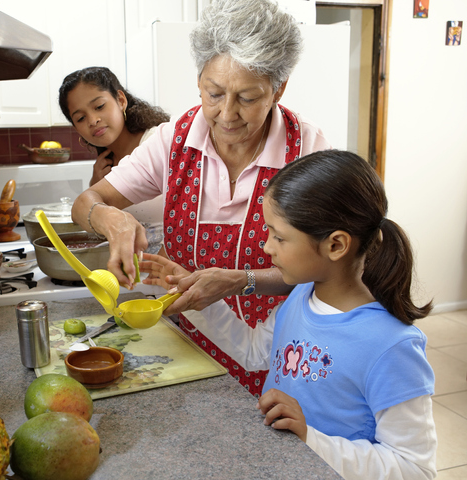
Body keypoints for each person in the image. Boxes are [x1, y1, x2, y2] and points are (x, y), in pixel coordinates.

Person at [71, 0, 331, 396]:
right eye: (214, 93)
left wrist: (240, 282)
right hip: (188, 348)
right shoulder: (172, 142)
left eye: (247, 98)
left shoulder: (306, 149)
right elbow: (86, 201)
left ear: (279, 88)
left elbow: (325, 267)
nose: (227, 115)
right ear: (199, 79)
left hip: (278, 353)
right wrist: (110, 218)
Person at [181, 149, 437, 479]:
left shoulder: (393, 347)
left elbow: (414, 468)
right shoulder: (304, 294)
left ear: (336, 245)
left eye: (279, 236)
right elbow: (255, 351)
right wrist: (198, 300)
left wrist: (309, 437)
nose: (266, 247)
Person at [59, 66, 170, 254]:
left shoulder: (159, 143)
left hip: (174, 271)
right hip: (134, 275)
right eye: (80, 118)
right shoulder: (104, 167)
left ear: (120, 100)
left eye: (99, 107)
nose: (93, 120)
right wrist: (95, 186)